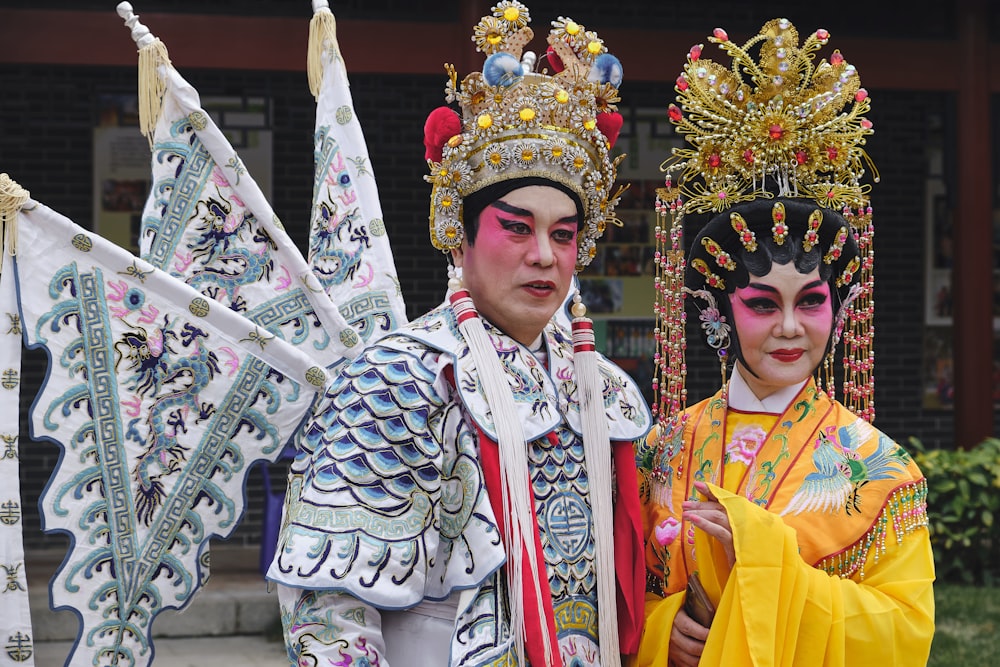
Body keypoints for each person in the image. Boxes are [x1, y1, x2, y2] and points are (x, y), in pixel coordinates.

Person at [267, 4, 652, 666]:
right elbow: (328, 612)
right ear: (461, 236)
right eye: (517, 226)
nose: (543, 255)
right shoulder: (394, 380)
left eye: (563, 233)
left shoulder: (607, 393)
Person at [633, 19, 935, 666]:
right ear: (718, 309)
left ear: (841, 307)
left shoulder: (880, 468)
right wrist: (663, 632)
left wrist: (765, 560)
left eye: (812, 301)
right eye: (763, 303)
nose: (791, 327)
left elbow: (904, 635)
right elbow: (622, 597)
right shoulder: (660, 450)